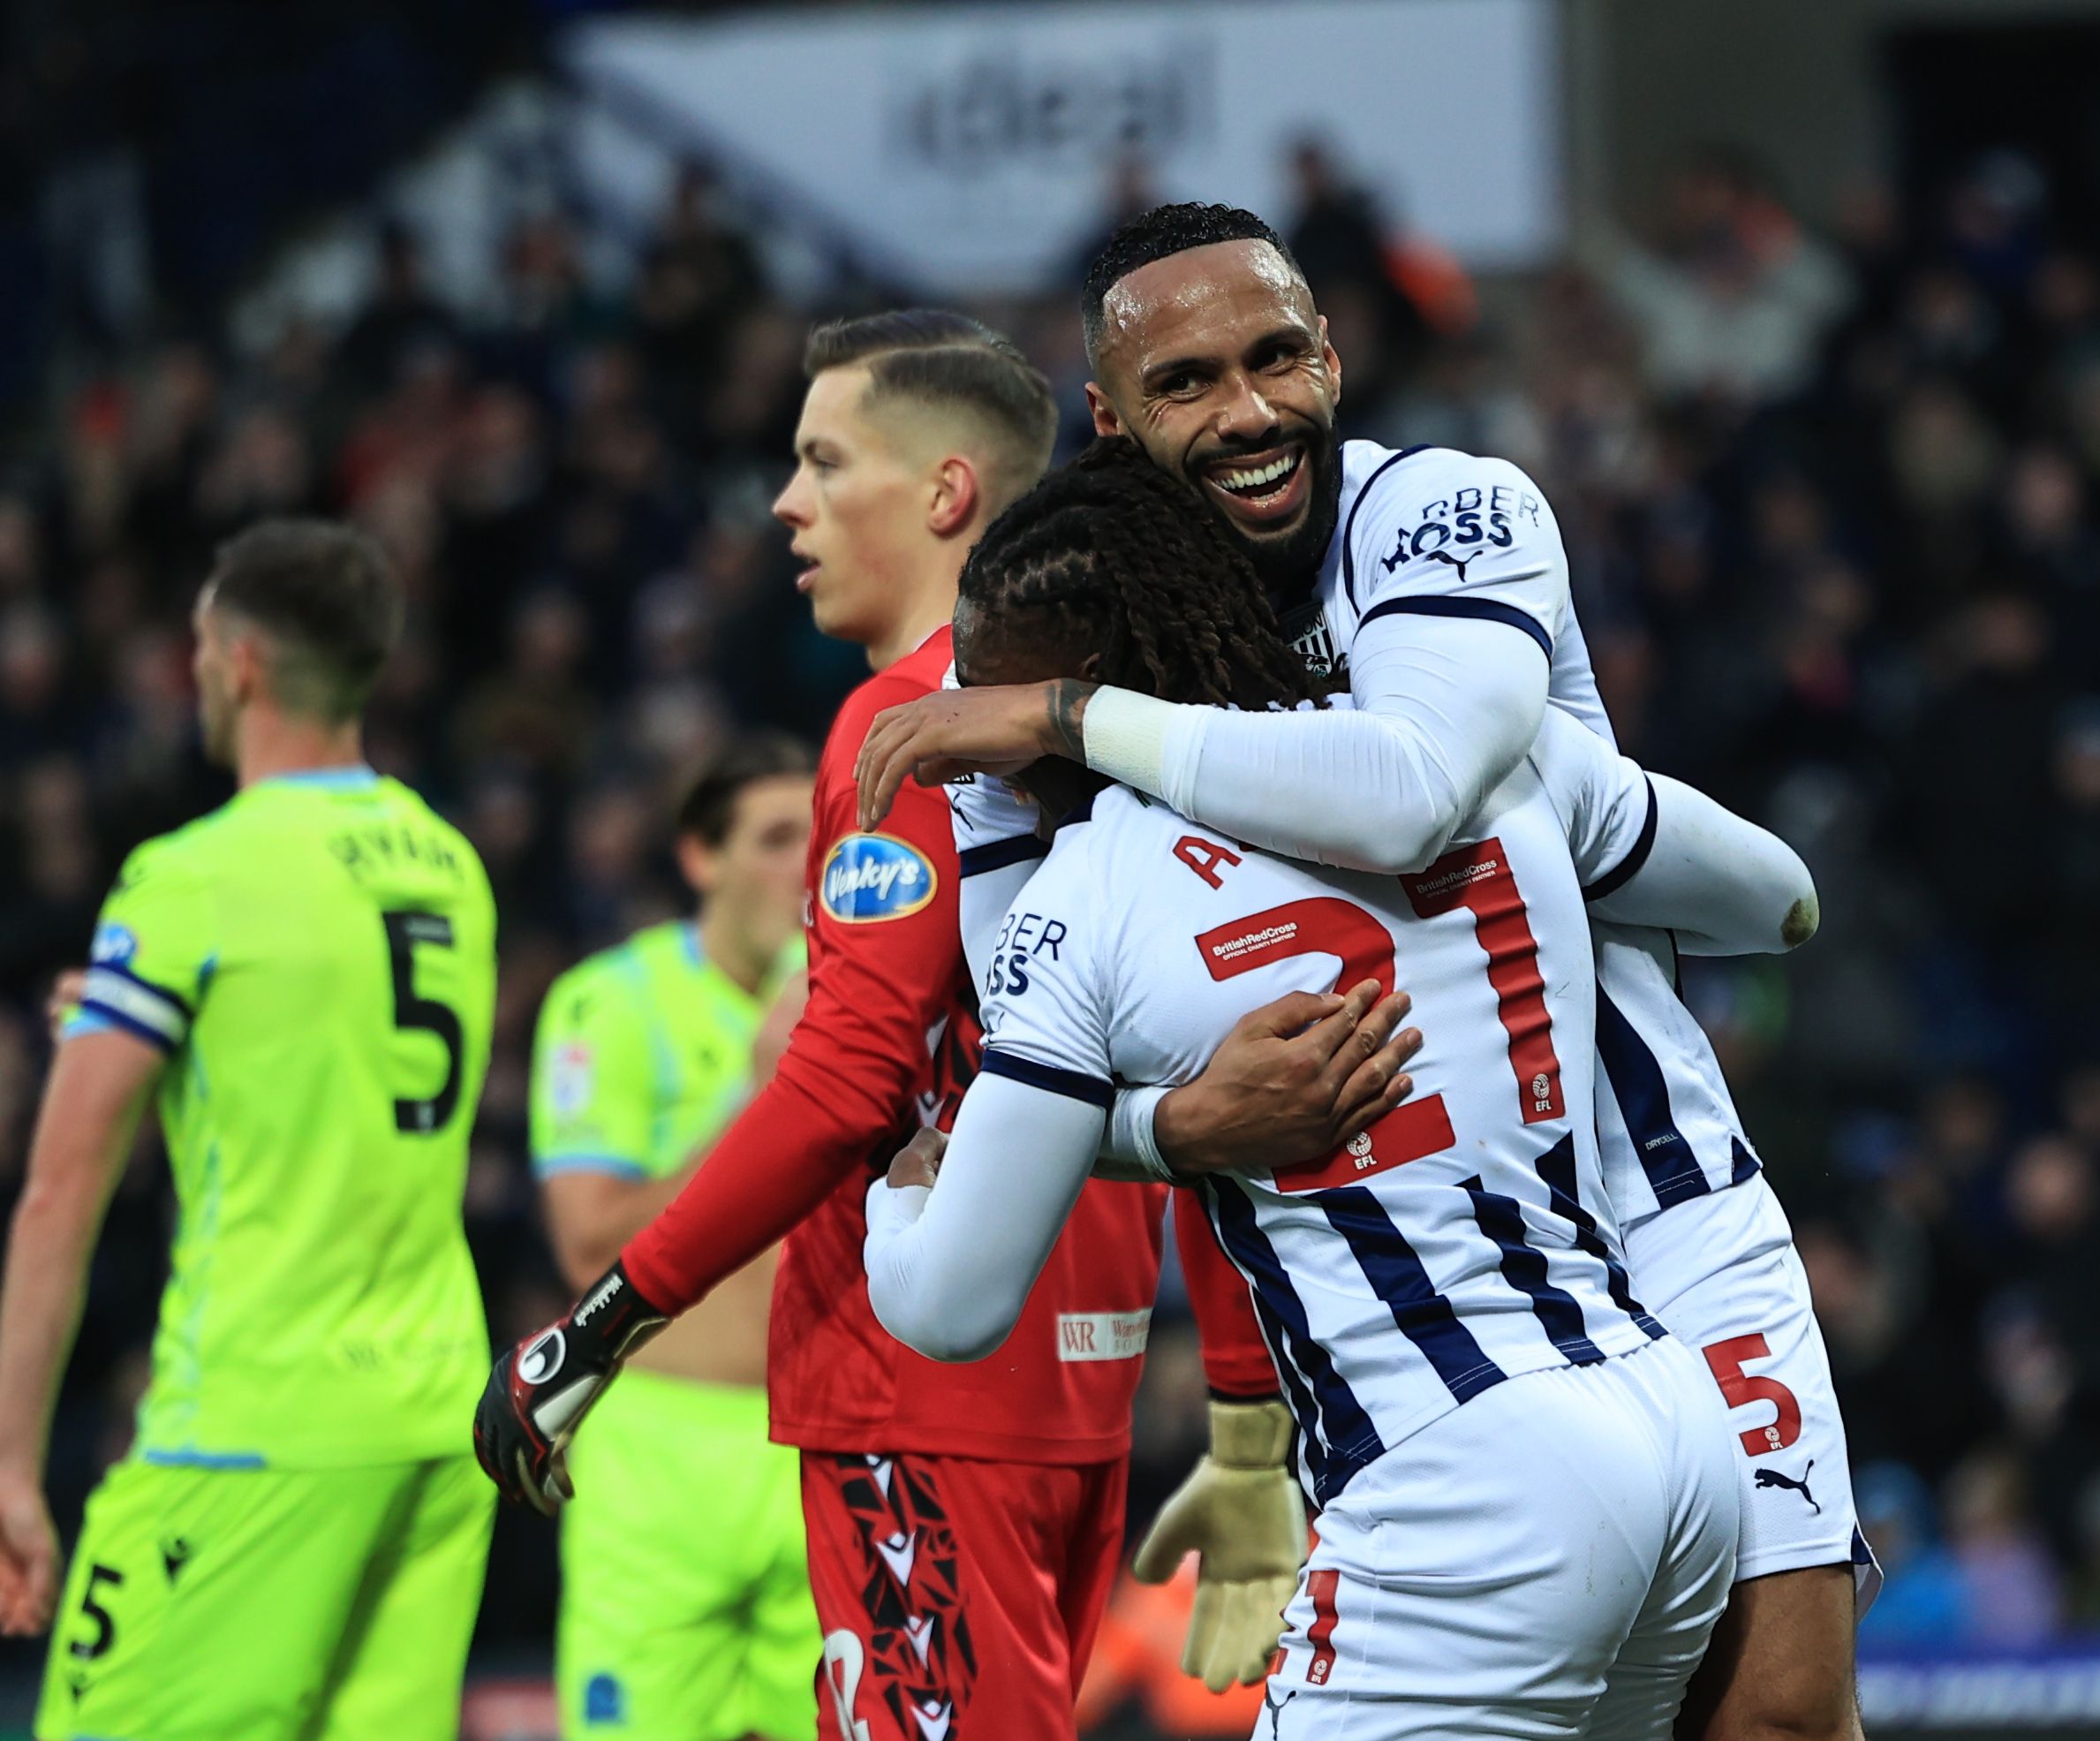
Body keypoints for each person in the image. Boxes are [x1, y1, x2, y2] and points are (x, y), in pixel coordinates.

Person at [857, 204, 1873, 1741]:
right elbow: (1044, 1036)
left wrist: (1069, 722)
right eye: (1189, 382)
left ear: (1335, 357)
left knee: (1779, 1717)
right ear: (1111, 420)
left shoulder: (1438, 517)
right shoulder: (1043, 640)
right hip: (1443, 1294)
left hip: (1651, 1196)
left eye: (1276, 359)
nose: (1249, 411)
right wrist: (1174, 1128)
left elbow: (1400, 792)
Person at [475, 310, 1418, 1738]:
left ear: (943, 494)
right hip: (1077, 1397)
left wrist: (596, 1329)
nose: (786, 502)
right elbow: (1221, 1091)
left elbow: (848, 1084)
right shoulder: (1147, 712)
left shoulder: (909, 721)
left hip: (918, 1397)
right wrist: (1241, 1414)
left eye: (821, 460)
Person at [0, 520, 496, 1741]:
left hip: (253, 1428)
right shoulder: (448, 862)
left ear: (240, 662)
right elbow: (318, 1088)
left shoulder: (195, 874)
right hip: (435, 1420)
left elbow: (61, 1189)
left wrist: (11, 1465)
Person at [528, 735, 818, 1741]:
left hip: (824, 1437)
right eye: (775, 838)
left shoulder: (868, 1001)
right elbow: (584, 1247)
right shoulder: (606, 1005)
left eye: (820, 839)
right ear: (703, 858)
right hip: (660, 1449)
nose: (804, 866)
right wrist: (763, 1092)